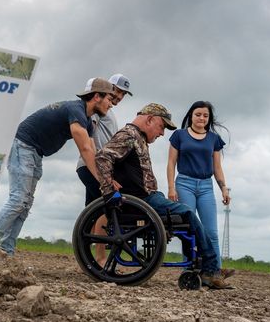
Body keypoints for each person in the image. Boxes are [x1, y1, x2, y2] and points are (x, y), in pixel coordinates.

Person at [95, 103, 232, 289]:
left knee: (184, 220)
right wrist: (109, 188)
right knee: (188, 214)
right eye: (161, 127)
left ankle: (207, 266)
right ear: (150, 119)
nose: (161, 133)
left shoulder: (138, 137)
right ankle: (210, 267)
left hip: (148, 197)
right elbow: (103, 157)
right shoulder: (129, 135)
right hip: (142, 201)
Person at [0, 78, 116, 256]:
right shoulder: (76, 110)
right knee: (19, 199)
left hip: (35, 152)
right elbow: (85, 149)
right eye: (109, 99)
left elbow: (93, 151)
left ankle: (6, 251)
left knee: (25, 205)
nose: (111, 104)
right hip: (23, 145)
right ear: (97, 96)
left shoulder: (87, 122)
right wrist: (104, 182)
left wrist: (106, 178)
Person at [166, 101, 234, 278]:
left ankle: (215, 271)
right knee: (189, 229)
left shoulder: (213, 139)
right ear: (191, 115)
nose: (201, 118)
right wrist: (171, 187)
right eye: (198, 114)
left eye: (205, 115)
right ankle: (189, 270)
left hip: (206, 186)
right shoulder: (179, 136)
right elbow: (171, 163)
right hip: (184, 184)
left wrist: (224, 188)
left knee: (211, 231)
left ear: (208, 118)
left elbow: (217, 168)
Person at [76, 73, 132, 266]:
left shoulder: (110, 112)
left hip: (97, 166)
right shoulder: (101, 111)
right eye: (116, 91)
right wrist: (100, 168)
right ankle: (99, 257)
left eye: (123, 94)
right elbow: (89, 132)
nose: (118, 97)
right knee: (105, 210)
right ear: (108, 88)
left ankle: (86, 258)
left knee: (90, 213)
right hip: (93, 166)